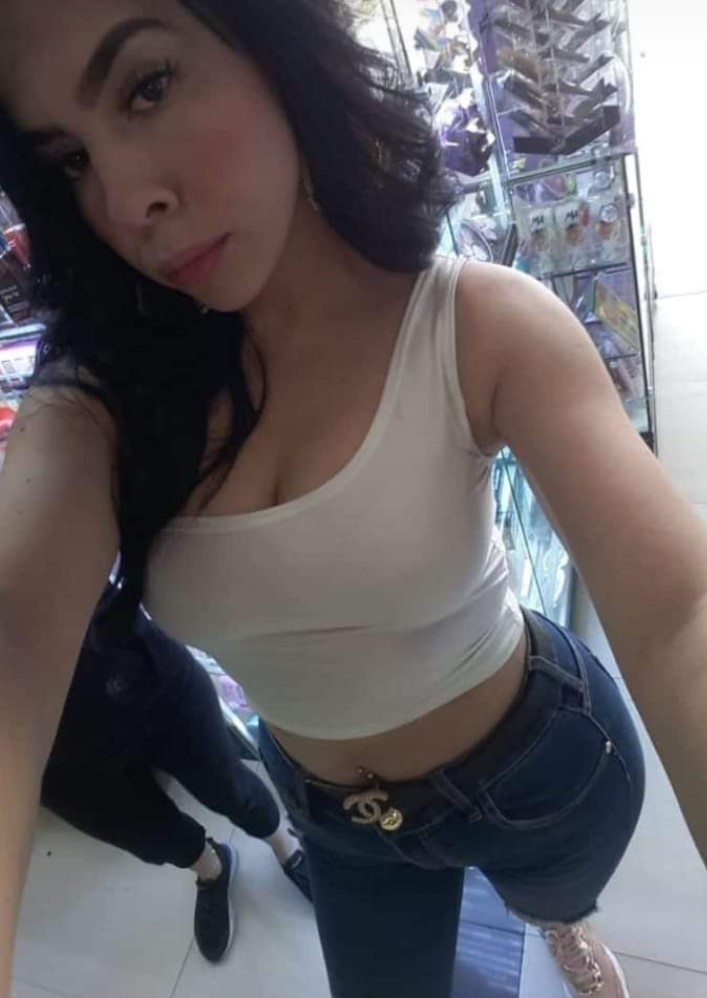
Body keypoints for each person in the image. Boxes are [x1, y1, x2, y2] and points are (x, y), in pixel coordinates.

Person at [0, 2, 706, 997]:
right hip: (334, 818)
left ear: (274, 48)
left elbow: (680, 614)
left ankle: (560, 921)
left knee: (554, 897)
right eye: (69, 160)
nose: (125, 201)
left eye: (148, 87)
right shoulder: (95, 411)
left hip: (537, 764)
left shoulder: (476, 323)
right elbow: (14, 654)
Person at [41, 583, 311, 964]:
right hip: (50, 757)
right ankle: (212, 868)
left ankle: (286, 845)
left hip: (143, 673)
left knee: (231, 788)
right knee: (153, 839)